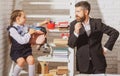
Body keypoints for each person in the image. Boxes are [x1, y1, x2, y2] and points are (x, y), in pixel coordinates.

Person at [68, 1, 119, 74]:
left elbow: (115, 33)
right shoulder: (73, 24)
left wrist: (105, 48)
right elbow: (71, 44)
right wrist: (76, 32)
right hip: (83, 63)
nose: (76, 14)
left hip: (98, 63)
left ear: (86, 12)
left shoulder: (97, 23)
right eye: (75, 11)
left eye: (78, 11)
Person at [7, 10, 49, 76]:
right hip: (17, 51)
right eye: (24, 17)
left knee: (31, 60)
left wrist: (43, 22)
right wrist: (29, 33)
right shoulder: (12, 29)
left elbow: (34, 26)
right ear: (18, 19)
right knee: (21, 61)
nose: (25, 19)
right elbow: (22, 41)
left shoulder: (25, 26)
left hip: (26, 50)